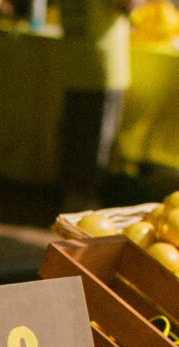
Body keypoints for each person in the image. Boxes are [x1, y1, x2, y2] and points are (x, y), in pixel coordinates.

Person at [57, 0, 144, 210]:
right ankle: (86, 210)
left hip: (74, 63)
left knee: (73, 137)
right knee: (95, 145)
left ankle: (70, 200)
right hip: (102, 66)